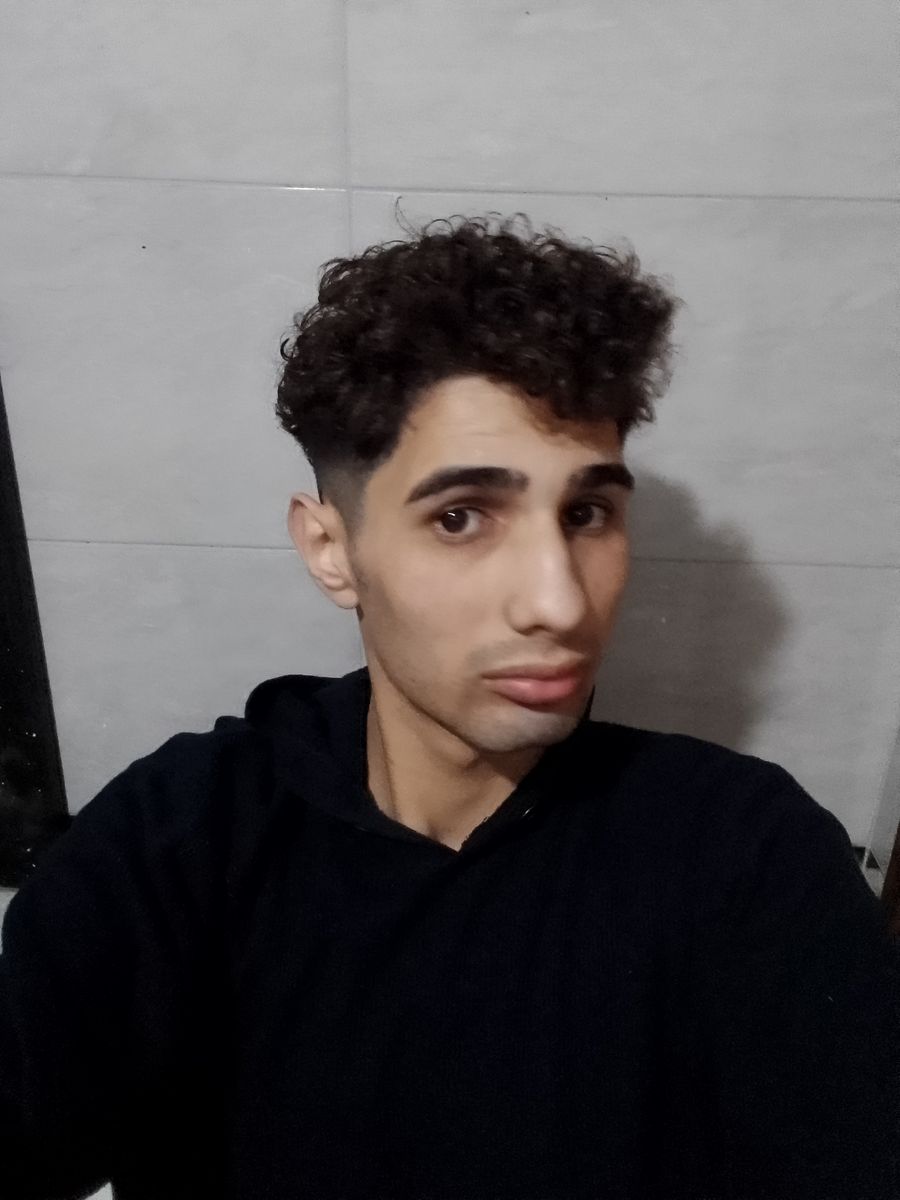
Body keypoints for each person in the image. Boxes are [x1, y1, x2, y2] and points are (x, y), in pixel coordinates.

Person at [1, 211, 897, 1200]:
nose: (560, 603)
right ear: (332, 550)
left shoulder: (743, 854)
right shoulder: (182, 842)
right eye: (462, 517)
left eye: (588, 513)